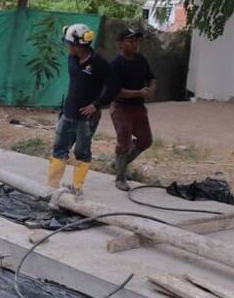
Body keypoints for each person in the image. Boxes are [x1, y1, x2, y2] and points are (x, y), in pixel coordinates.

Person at [46, 24, 119, 196]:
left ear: (78, 46)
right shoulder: (72, 58)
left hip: (87, 118)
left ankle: (77, 187)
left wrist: (97, 104)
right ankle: (51, 186)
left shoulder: (99, 64)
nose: (67, 46)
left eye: (69, 44)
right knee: (60, 147)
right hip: (68, 112)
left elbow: (114, 86)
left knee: (81, 151)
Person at [110, 29, 156, 191]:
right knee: (124, 142)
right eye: (130, 41)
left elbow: (151, 77)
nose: (135, 44)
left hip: (138, 107)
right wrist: (139, 92)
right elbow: (115, 91)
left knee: (146, 140)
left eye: (136, 41)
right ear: (120, 44)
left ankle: (119, 164)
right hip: (122, 108)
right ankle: (120, 177)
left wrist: (151, 88)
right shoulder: (115, 64)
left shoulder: (141, 59)